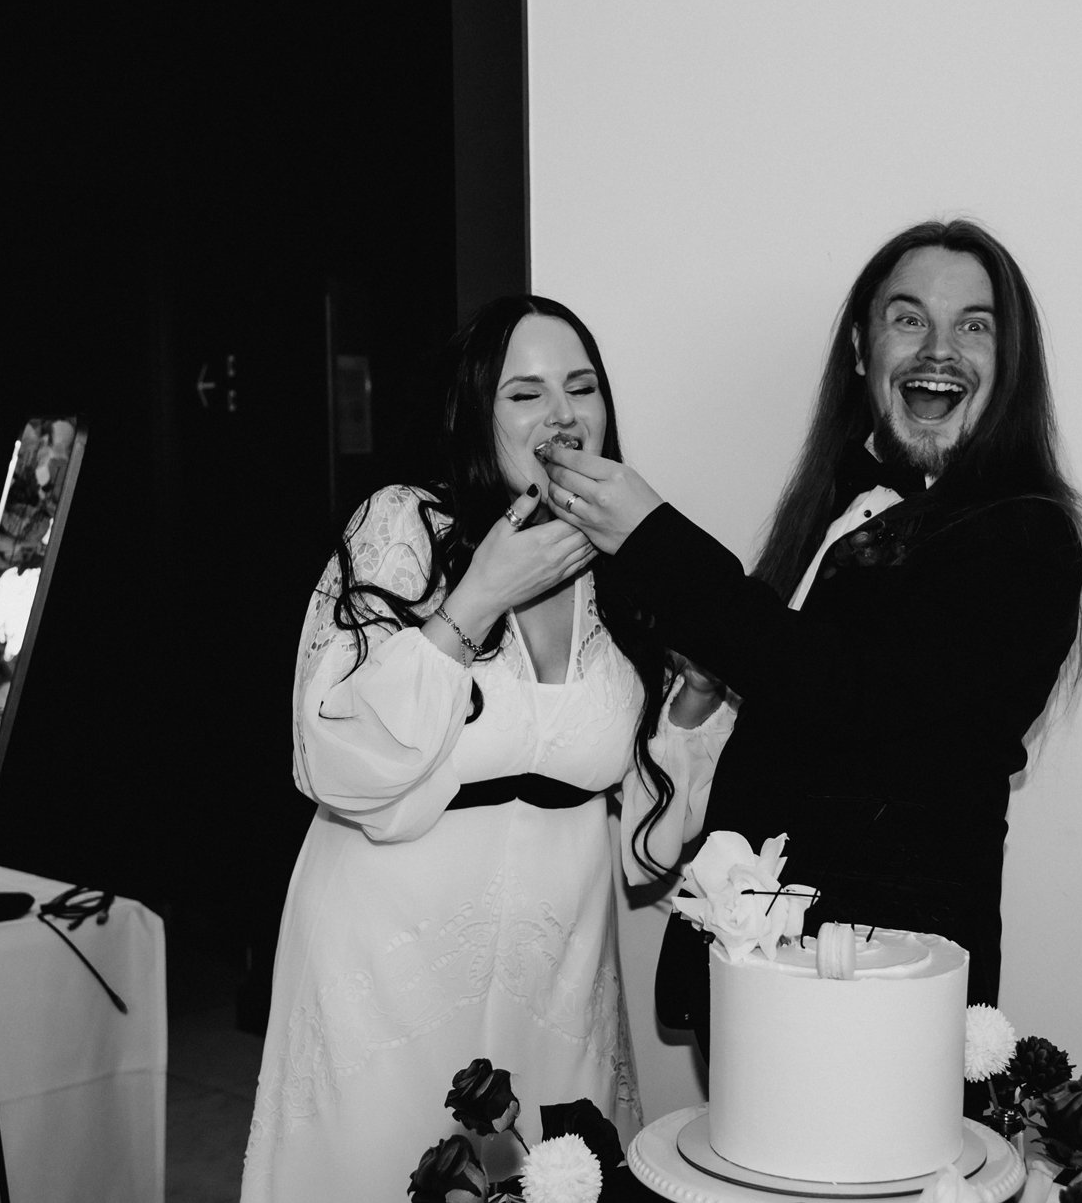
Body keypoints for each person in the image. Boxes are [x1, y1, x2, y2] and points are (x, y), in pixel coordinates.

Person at [240, 296, 731, 1203]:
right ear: (478, 414)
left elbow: (647, 848)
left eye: (582, 387)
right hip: (384, 966)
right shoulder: (404, 526)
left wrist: (696, 697)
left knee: (551, 1175)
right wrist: (475, 599)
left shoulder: (627, 562)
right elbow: (330, 751)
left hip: (559, 972)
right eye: (527, 392)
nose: (564, 415)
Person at [540, 219, 1082, 1020]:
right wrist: (704, 692)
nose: (939, 348)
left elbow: (861, 697)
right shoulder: (834, 507)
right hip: (762, 969)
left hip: (880, 988)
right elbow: (789, 711)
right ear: (863, 353)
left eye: (974, 325)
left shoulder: (1027, 536)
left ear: (1009, 364)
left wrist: (654, 537)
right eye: (909, 319)